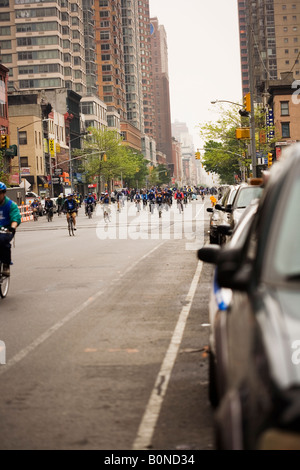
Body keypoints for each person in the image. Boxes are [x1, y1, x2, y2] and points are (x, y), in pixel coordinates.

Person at [0, 182, 21, 276]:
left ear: (3, 193)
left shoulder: (10, 205)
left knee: (3, 240)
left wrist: (12, 227)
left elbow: (15, 218)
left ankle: (6, 264)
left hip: (6, 230)